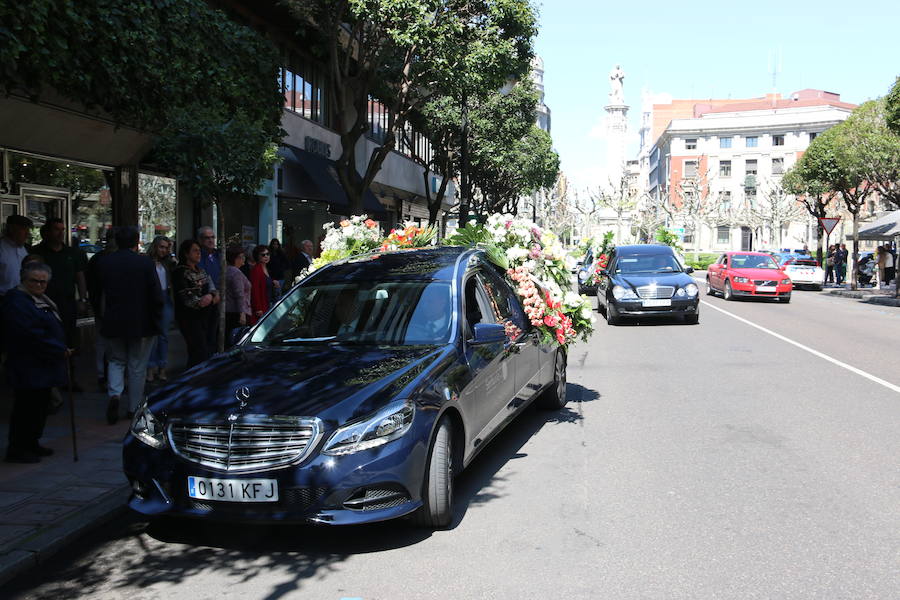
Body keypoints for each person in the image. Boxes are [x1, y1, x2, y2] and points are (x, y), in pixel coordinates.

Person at [3, 261, 70, 462]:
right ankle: (18, 448)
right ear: (25, 280)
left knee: (39, 407)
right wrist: (59, 348)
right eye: (35, 281)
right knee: (26, 408)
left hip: (43, 364)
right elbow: (30, 334)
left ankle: (32, 443)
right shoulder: (17, 301)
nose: (40, 285)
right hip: (28, 363)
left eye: (43, 282)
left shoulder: (39, 299)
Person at [96, 226, 164, 424]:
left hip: (114, 320)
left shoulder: (106, 261)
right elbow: (156, 294)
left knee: (116, 361)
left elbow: (98, 292)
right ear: (136, 242)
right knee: (137, 366)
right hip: (141, 322)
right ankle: (133, 407)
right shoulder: (144, 263)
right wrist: (157, 317)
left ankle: (115, 394)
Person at [30, 217, 89, 355]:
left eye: (62, 229)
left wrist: (83, 299)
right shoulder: (36, 253)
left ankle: (69, 370)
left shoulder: (73, 253)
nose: (60, 233)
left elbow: (80, 277)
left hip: (66, 304)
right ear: (47, 232)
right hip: (42, 303)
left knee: (68, 339)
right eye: (56, 229)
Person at [173, 239, 217, 368]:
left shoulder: (201, 271)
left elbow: (214, 290)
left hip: (207, 317)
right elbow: (191, 301)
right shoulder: (180, 272)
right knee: (198, 352)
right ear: (186, 253)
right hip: (190, 318)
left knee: (206, 350)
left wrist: (211, 296)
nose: (198, 254)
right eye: (195, 251)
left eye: (199, 251)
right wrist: (207, 298)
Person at [86, 228, 116, 388]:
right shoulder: (101, 260)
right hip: (105, 307)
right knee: (106, 343)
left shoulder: (99, 259)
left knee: (105, 343)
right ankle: (104, 374)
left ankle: (105, 374)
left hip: (106, 306)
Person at [146, 236, 175, 382]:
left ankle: (162, 367)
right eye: (161, 247)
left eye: (166, 247)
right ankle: (150, 368)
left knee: (163, 336)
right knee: (153, 336)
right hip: (152, 300)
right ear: (155, 246)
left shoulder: (168, 263)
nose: (163, 250)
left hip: (165, 299)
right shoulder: (147, 262)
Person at [197, 226, 222, 353]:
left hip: (221, 298)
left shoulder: (219, 255)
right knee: (206, 335)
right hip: (206, 298)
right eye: (207, 238)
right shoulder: (199, 255)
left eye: (212, 237)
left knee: (216, 334)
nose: (210, 240)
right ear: (201, 240)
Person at [224, 245, 252, 345]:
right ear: (235, 258)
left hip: (229, 311)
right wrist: (242, 313)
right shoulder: (235, 272)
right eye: (241, 256)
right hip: (235, 312)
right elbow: (239, 294)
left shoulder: (227, 270)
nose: (244, 259)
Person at [0, 214, 33, 297]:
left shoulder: (27, 249)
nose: (27, 234)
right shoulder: (1, 248)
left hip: (24, 298)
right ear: (11, 229)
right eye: (23, 229)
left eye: (28, 230)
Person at [249, 244, 273, 324]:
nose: (266, 256)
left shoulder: (266, 268)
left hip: (268, 302)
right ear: (257, 256)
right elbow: (254, 290)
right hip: (261, 305)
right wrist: (258, 308)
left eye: (268, 254)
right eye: (263, 255)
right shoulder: (256, 270)